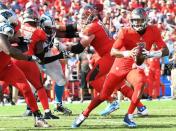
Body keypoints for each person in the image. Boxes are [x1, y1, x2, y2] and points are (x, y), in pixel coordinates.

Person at [72, 7, 169, 128]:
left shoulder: (153, 30)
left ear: (145, 20)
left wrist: (151, 54)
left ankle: (129, 116)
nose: (137, 24)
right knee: (103, 95)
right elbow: (113, 52)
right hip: (120, 65)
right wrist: (127, 53)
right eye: (135, 21)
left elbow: (166, 51)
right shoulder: (125, 31)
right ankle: (84, 114)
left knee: (141, 81)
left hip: (134, 65)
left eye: (140, 21)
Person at [0, 20, 50, 127]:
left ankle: (38, 118)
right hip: (5, 65)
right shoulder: (2, 35)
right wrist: (29, 57)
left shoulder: (5, 33)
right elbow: (10, 51)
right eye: (16, 30)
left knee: (26, 89)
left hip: (7, 67)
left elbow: (11, 41)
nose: (18, 31)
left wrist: (20, 40)